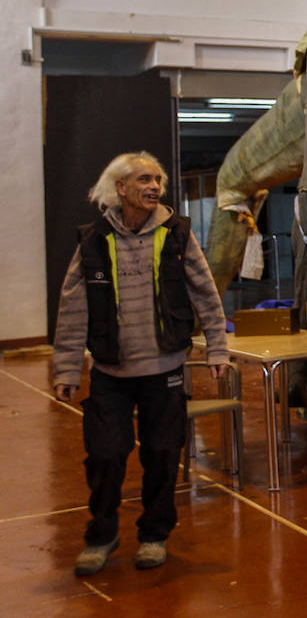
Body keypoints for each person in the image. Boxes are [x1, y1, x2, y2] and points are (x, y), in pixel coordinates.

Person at [53, 151, 229, 575]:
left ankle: (154, 535)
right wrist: (65, 368)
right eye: (144, 180)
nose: (154, 188)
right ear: (120, 188)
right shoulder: (93, 239)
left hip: (165, 369)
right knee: (105, 456)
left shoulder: (177, 235)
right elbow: (72, 308)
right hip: (111, 372)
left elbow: (205, 292)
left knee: (164, 455)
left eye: (157, 181)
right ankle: (102, 535)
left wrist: (218, 347)